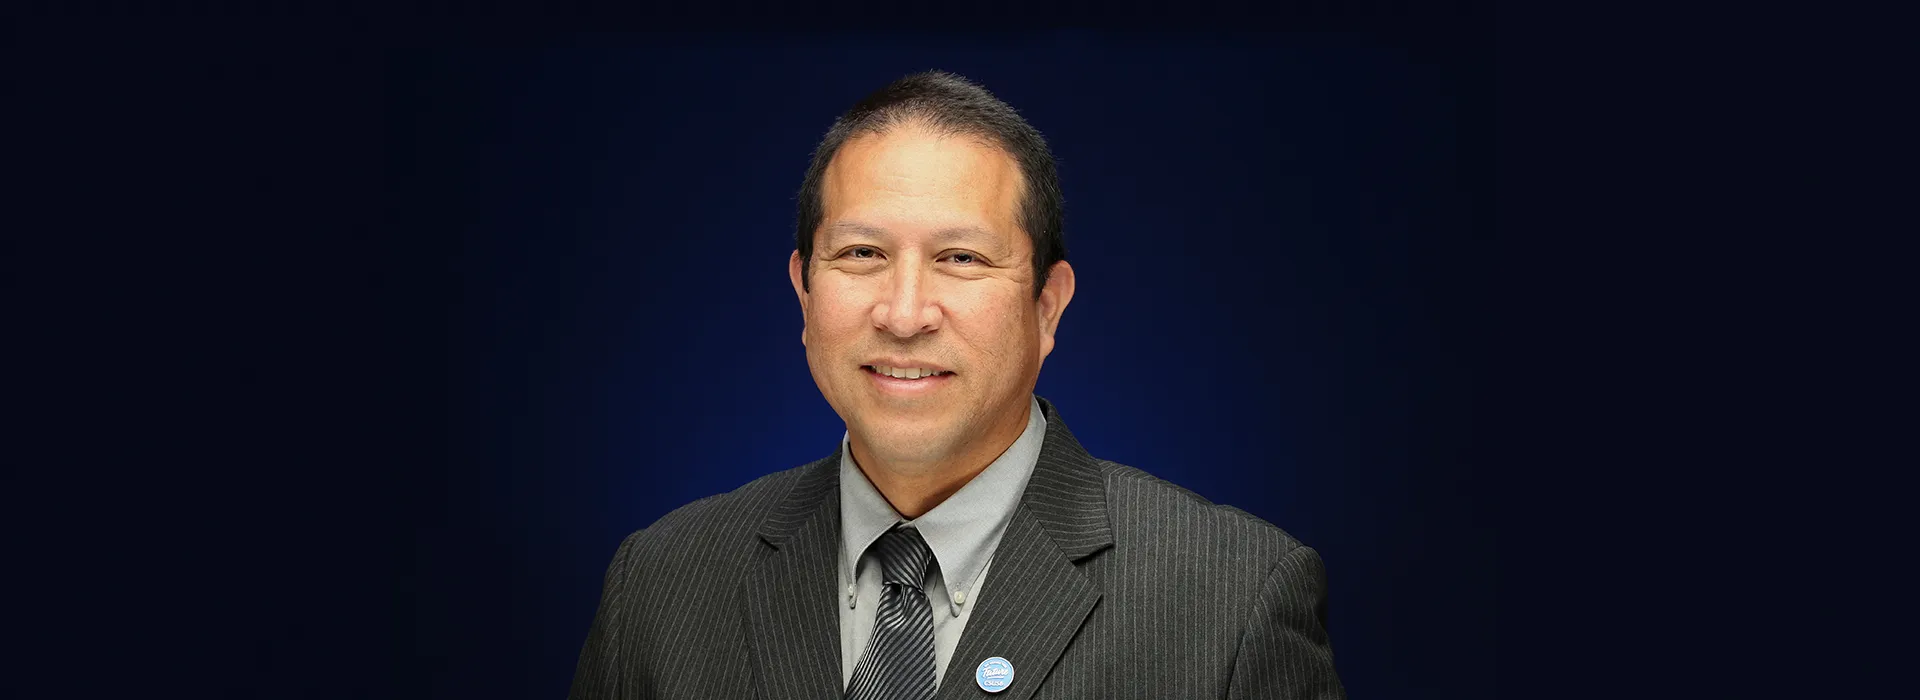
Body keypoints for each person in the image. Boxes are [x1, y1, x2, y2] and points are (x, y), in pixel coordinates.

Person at [570, 71, 1344, 700]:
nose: (904, 314)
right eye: (863, 254)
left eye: (961, 259)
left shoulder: (1233, 599)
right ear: (804, 293)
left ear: (1047, 306)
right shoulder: (662, 585)